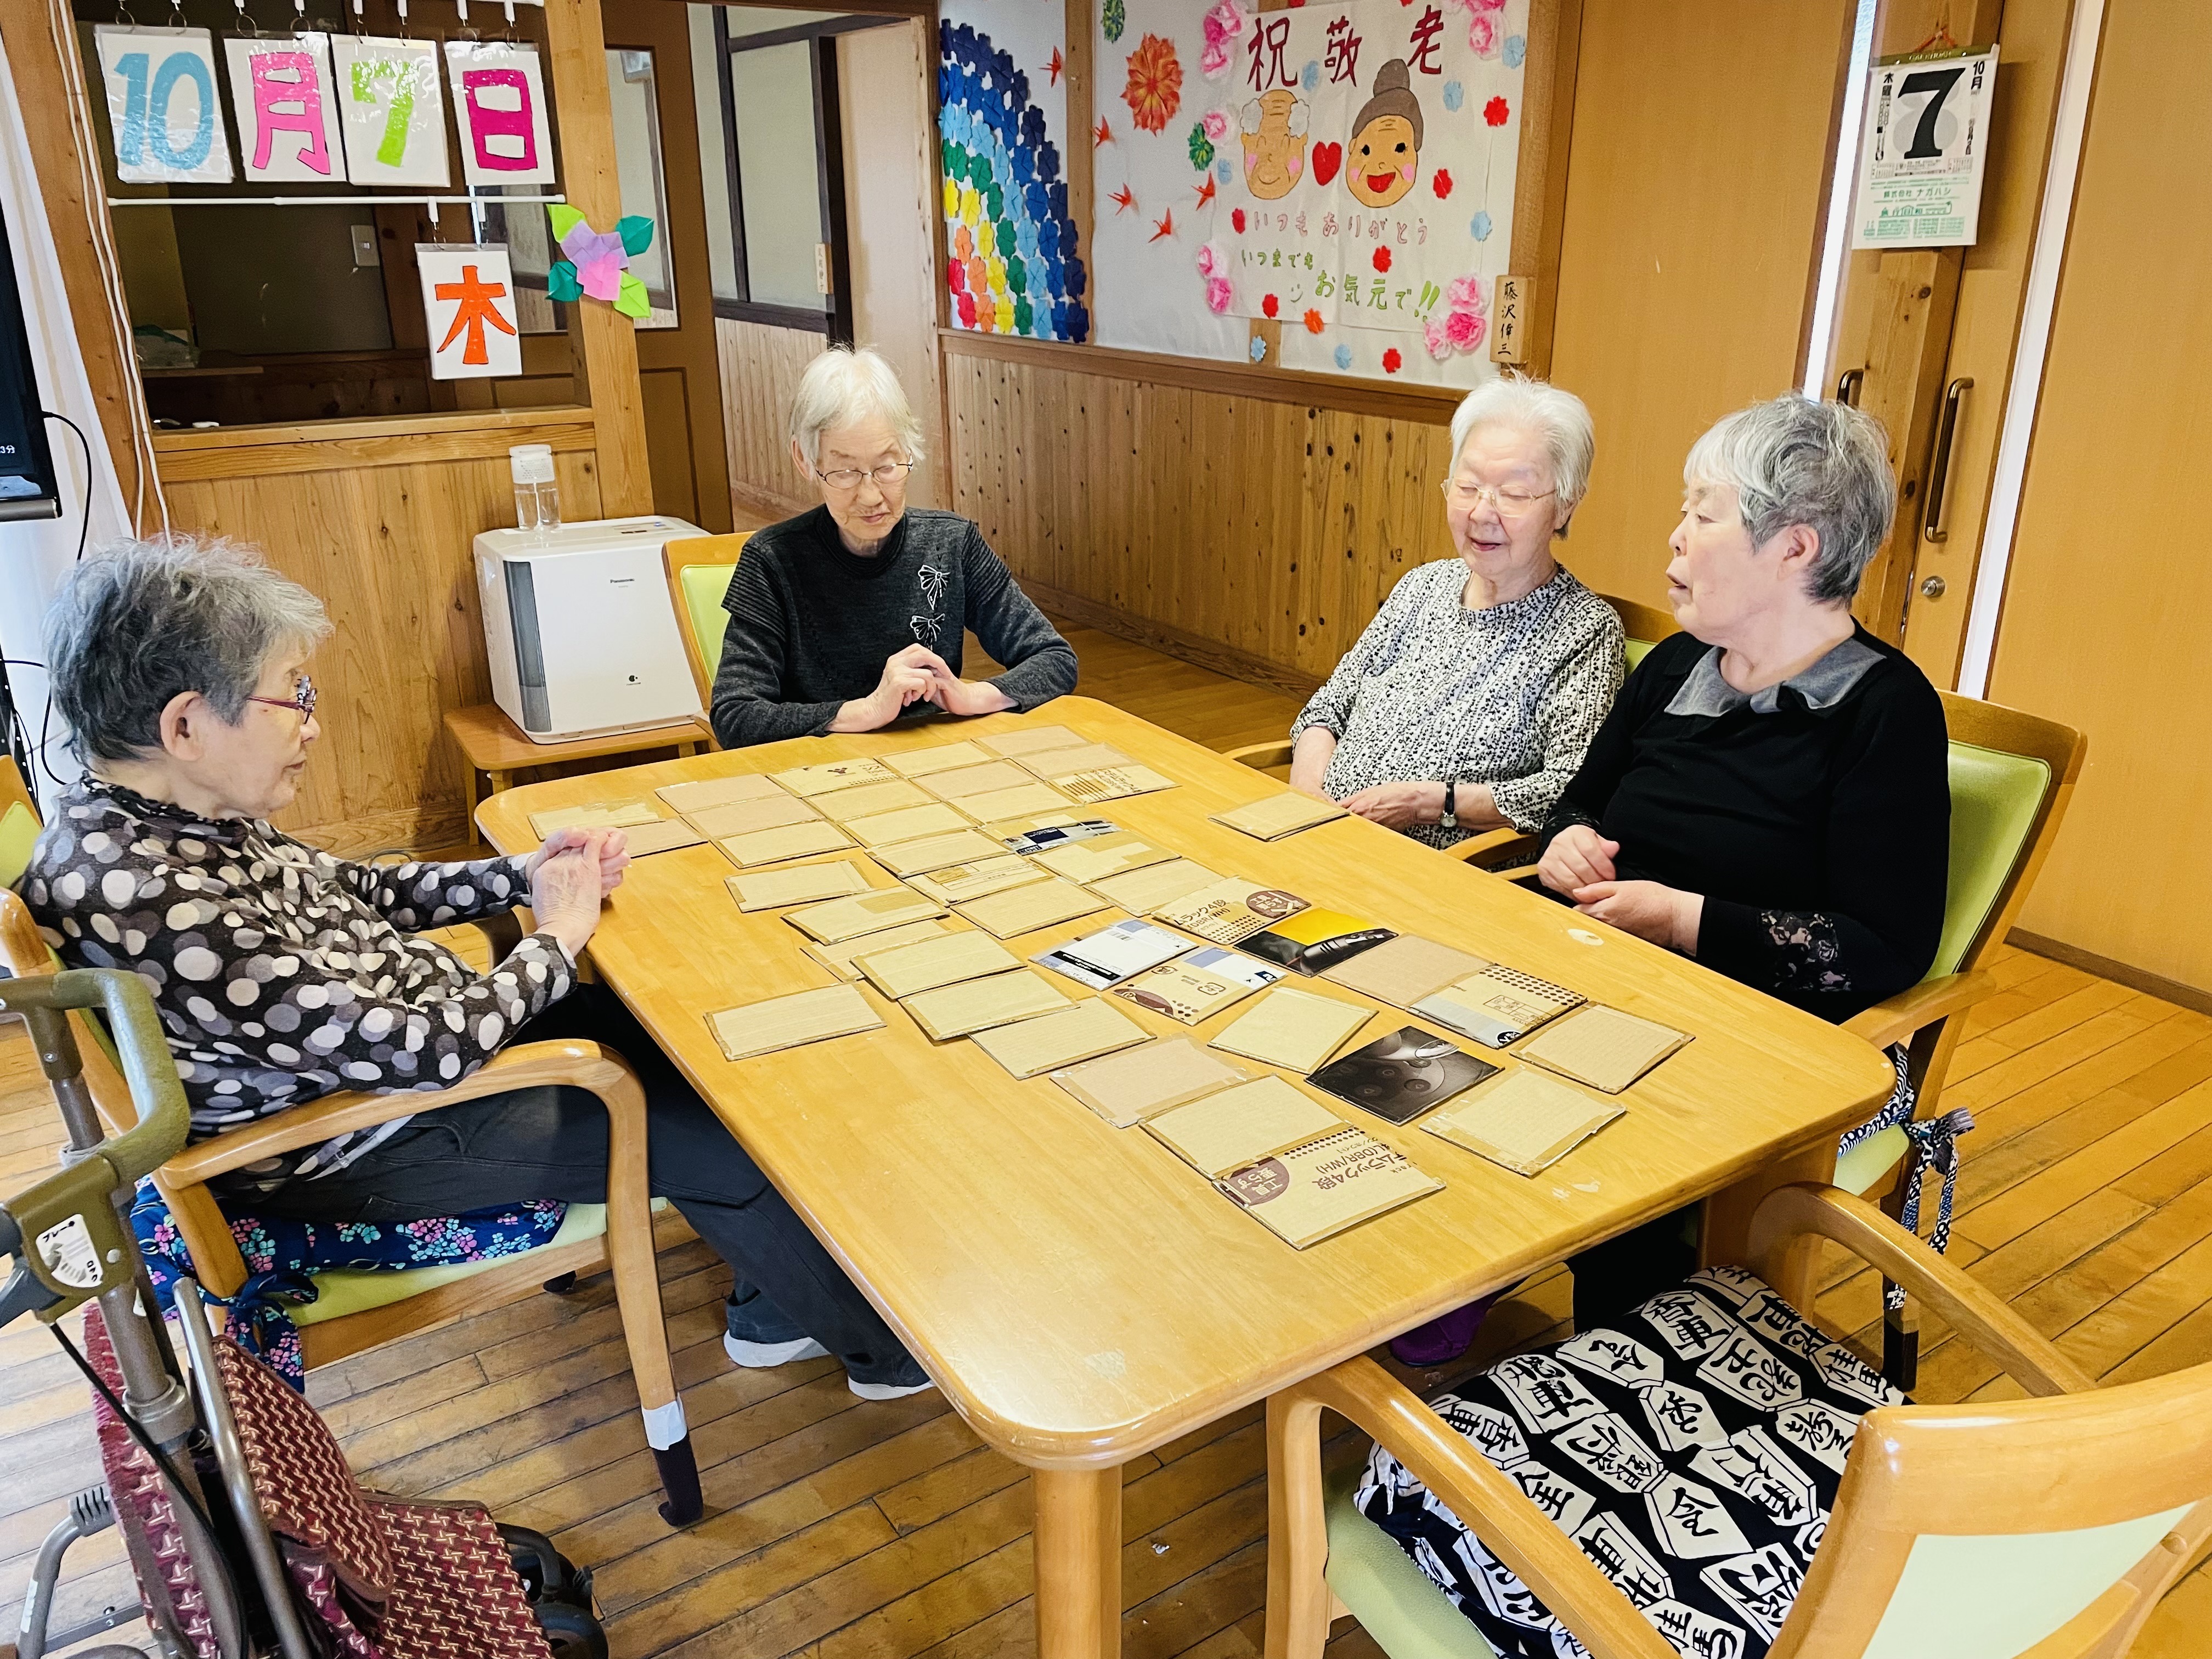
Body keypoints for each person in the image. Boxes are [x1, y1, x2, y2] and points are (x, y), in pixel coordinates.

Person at [23, 536, 933, 1400]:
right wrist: (557, 931)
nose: (309, 720)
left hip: (403, 1065)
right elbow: (429, 1053)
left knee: (698, 1040)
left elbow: (360, 888)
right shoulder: (155, 897)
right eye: (290, 694)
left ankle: (773, 1298)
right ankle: (878, 1352)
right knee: (721, 1134)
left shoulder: (157, 817)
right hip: (363, 1136)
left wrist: (526, 875)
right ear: (186, 723)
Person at [1537, 392, 1950, 1329]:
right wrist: (1564, 837)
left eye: (1702, 512)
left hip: (1755, 1037)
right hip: (1602, 977)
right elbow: (1580, 800)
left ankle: (1620, 1367)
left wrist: (1682, 917)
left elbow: (1882, 947)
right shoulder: (1677, 664)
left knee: (1613, 1154)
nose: (1675, 538)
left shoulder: (1884, 709)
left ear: (1794, 547)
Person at [1286, 371, 1624, 856]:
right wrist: (1307, 795)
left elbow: (1567, 790)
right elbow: (1329, 706)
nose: (1482, 513)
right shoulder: (1424, 585)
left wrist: (1429, 802)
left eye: (1513, 495)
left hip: (1435, 876)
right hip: (1321, 838)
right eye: (1467, 487)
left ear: (1565, 507)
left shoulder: (1584, 631)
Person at [710, 345, 1077, 749]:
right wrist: (865, 710)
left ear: (909, 452)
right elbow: (735, 715)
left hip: (932, 762)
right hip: (821, 772)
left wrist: (972, 696)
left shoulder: (951, 544)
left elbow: (1055, 660)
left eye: (887, 467)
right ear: (805, 460)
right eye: (846, 471)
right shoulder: (772, 562)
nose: (871, 496)